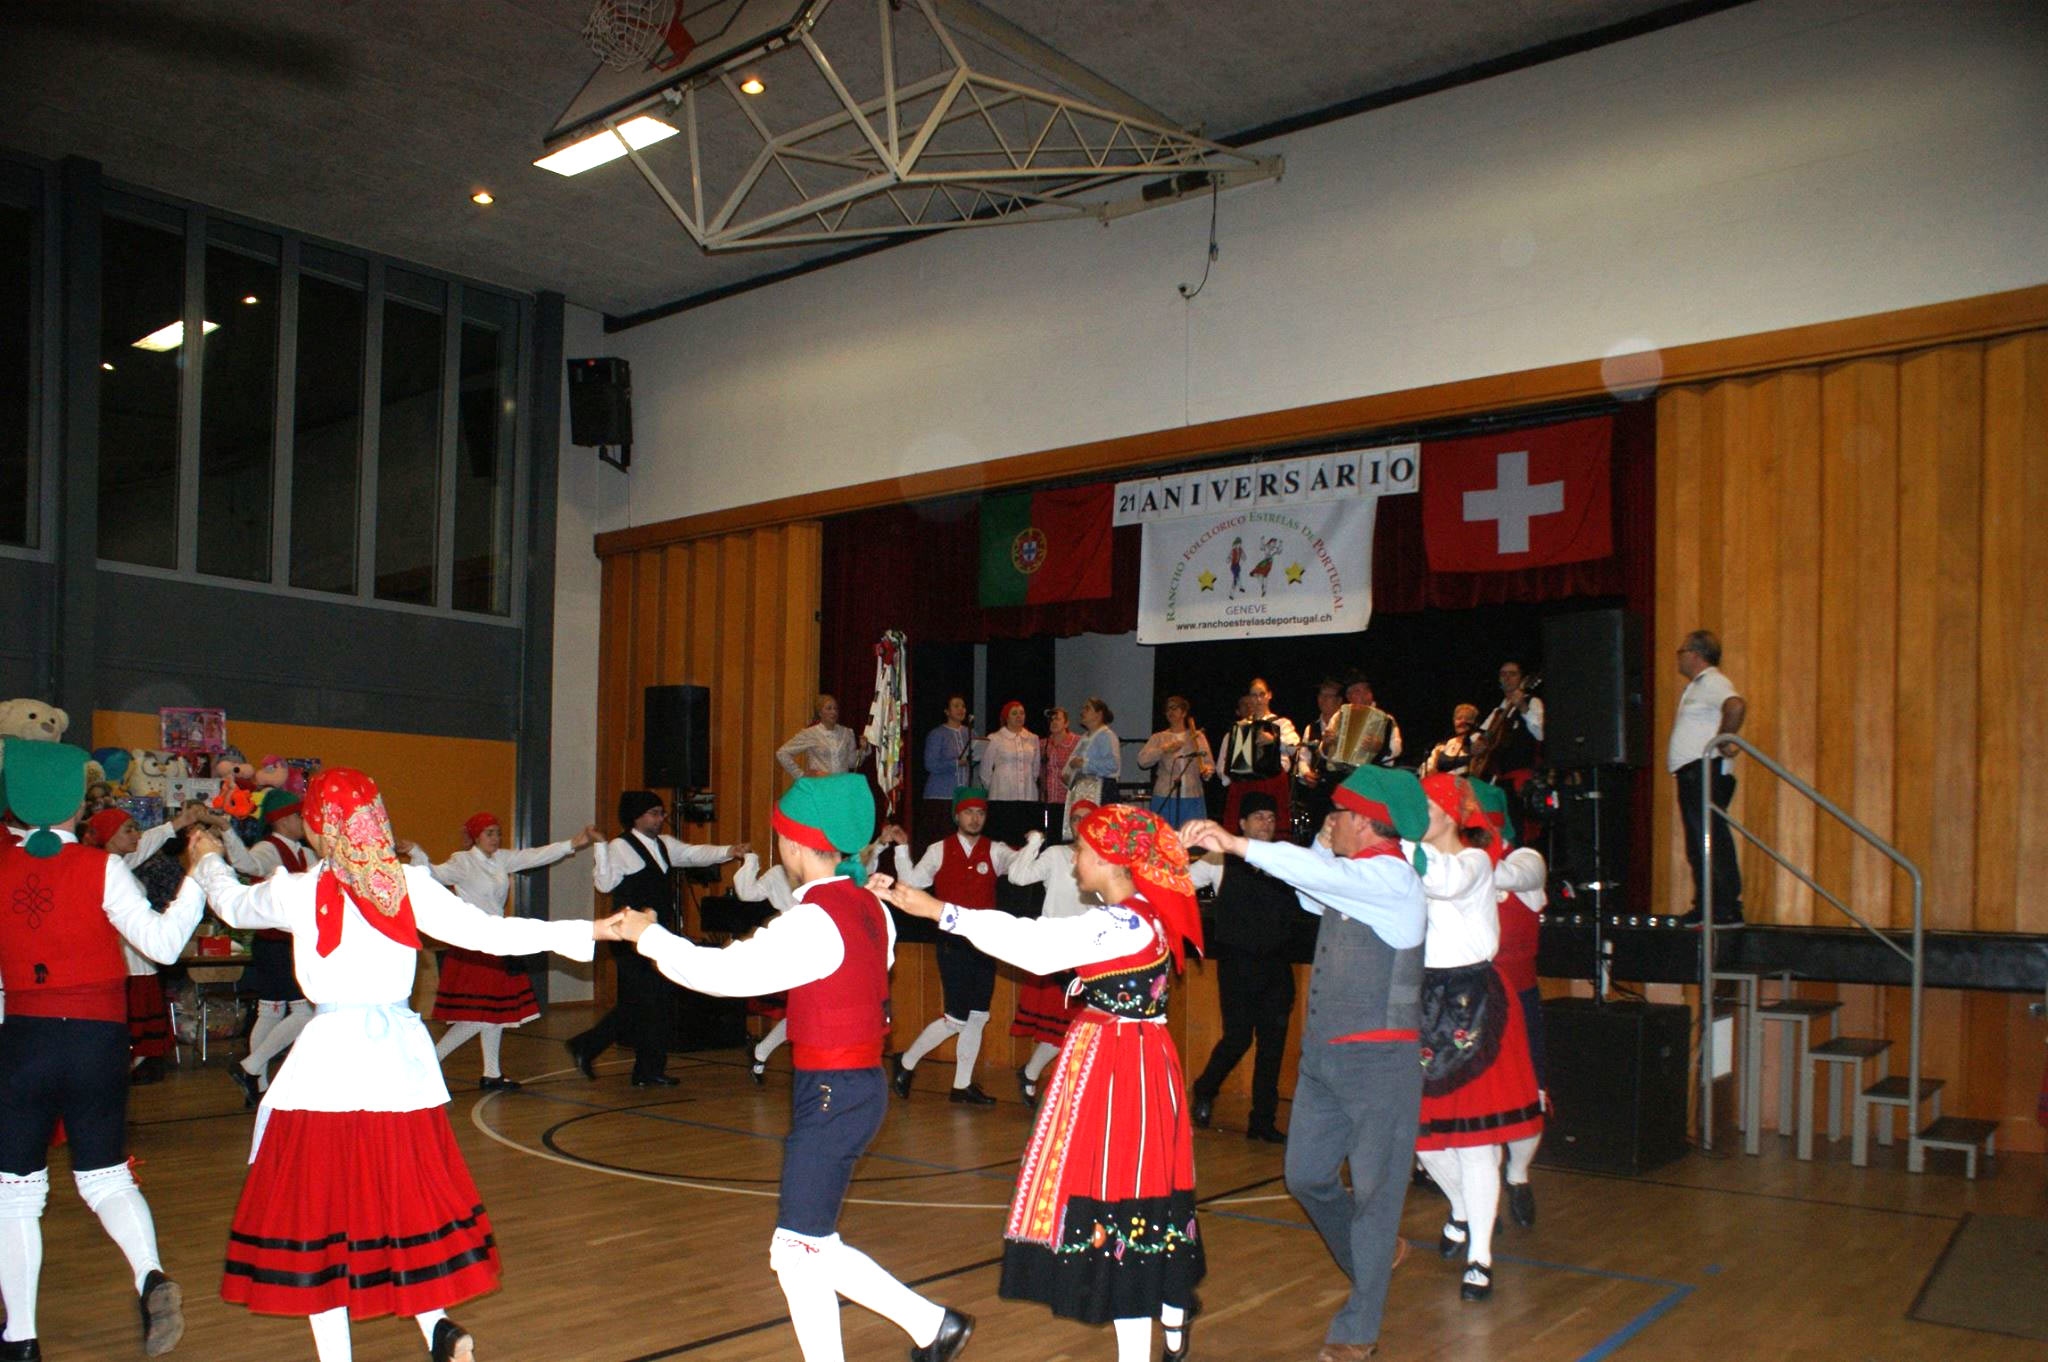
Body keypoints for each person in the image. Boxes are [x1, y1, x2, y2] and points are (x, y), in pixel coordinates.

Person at [187, 768, 603, 1362]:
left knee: (318, 1216)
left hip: (327, 1069)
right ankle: (435, 1324)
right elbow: (492, 935)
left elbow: (230, 903)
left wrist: (205, 858)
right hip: (396, 1071)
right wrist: (587, 928)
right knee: (402, 1197)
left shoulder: (301, 889)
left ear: (318, 827)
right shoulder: (406, 885)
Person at [613, 775, 974, 1362]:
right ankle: (933, 1326)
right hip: (853, 1087)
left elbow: (723, 975)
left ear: (796, 844)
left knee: (796, 1247)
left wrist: (648, 935)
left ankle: (931, 1325)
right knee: (810, 1244)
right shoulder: (869, 911)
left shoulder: (814, 919)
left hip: (833, 1090)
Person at [874, 805, 1204, 1362]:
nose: (1075, 859)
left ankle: (1151, 1338)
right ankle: (1172, 1317)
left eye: (1082, 851)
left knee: (1120, 1197)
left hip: (1123, 1067)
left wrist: (937, 909)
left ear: (1110, 859)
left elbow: (1033, 944)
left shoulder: (1122, 923)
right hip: (1133, 1060)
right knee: (1149, 1192)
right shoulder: (1141, 912)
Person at [1181, 764, 1431, 1362]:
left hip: (1379, 1065)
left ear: (1369, 825)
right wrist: (1319, 838)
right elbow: (1306, 887)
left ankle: (1358, 1328)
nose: (1327, 823)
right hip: (1325, 1061)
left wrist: (1240, 842)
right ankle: (1372, 1254)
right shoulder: (1355, 877)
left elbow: (1314, 873)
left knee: (1374, 1197)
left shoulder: (1394, 882)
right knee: (1306, 1177)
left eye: (1338, 816)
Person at [0, 739, 204, 1361]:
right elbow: (164, 947)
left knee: (15, 1192)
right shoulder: (99, 866)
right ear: (72, 805)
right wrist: (197, 877)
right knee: (105, 1174)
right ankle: (149, 1276)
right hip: (97, 1039)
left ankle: (21, 1341)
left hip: (25, 1037)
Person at [1410, 774, 1540, 1304]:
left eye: (1421, 806)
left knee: (1476, 1140)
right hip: (1423, 1000)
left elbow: (1443, 880)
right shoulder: (1413, 858)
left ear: (1445, 812)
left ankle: (1480, 1257)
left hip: (1473, 1000)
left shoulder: (1473, 862)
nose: (1413, 814)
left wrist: (1393, 842)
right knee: (1420, 1139)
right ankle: (1463, 1209)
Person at [413, 812, 601, 1090]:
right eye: (489, 833)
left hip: (498, 944)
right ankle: (427, 1063)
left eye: (497, 832)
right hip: (473, 945)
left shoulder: (501, 859)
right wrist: (417, 853)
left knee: (494, 1013)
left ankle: (492, 1073)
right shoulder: (462, 862)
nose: (495, 838)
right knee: (480, 1016)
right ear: (476, 837)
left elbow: (535, 856)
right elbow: (431, 874)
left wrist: (575, 842)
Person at [570, 792, 744, 1086]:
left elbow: (691, 854)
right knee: (648, 999)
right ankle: (626, 1061)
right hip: (627, 936)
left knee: (650, 1001)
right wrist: (600, 846)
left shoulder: (664, 845)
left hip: (654, 935)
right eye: (654, 813)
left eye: (661, 813)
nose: (660, 818)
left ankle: (635, 1065)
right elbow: (604, 884)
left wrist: (729, 850)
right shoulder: (619, 847)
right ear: (636, 816)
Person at [884, 787, 1017, 1104]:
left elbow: (1023, 868)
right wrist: (902, 850)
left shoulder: (995, 851)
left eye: (981, 812)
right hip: (952, 943)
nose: (975, 818)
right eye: (969, 812)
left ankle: (961, 1085)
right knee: (956, 1017)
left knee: (978, 1015)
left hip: (984, 943)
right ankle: (906, 1062)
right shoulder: (939, 849)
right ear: (957, 815)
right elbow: (913, 884)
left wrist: (1037, 844)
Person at [1185, 791, 1298, 1143]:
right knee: (1236, 1038)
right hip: (1237, 964)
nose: (1266, 822)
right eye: (1259, 816)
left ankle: (1262, 1123)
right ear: (1243, 824)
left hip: (1277, 965)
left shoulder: (1286, 859)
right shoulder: (1220, 858)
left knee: (1272, 1044)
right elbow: (1182, 883)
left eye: (1270, 816)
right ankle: (1205, 1088)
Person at [81, 803, 211, 1082]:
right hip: (127, 966)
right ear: (108, 835)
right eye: (128, 830)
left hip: (140, 963)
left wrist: (180, 822)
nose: (136, 835)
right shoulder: (101, 866)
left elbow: (149, 842)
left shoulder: (116, 863)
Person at [1472, 779, 1548, 1229]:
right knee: (1478, 1098)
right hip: (1471, 1000)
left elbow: (1508, 876)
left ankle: (1518, 1175)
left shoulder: (1526, 859)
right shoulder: (1456, 864)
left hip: (1519, 997)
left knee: (1528, 1093)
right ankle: (1484, 1196)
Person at [217, 788, 317, 1106]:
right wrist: (226, 832)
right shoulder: (268, 848)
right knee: (304, 1011)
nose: (303, 821)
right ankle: (251, 1066)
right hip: (275, 944)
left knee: (271, 1011)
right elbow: (246, 864)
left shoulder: (306, 853)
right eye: (299, 816)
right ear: (283, 820)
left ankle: (256, 1082)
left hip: (290, 942)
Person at [1002, 797, 1101, 1106]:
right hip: (1057, 950)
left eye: (1087, 818)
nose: (1080, 823)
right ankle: (1039, 1079)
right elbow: (1018, 877)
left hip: (1088, 951)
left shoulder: (1104, 859)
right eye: (1075, 819)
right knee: (1066, 1025)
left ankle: (1038, 1077)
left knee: (1080, 1026)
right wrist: (1034, 843)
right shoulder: (1057, 854)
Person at [1670, 629, 1746, 924]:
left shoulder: (1713, 681)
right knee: (1700, 841)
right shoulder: (1698, 685)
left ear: (1696, 655)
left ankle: (1725, 906)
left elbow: (1736, 705)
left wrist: (1723, 740)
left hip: (1704, 770)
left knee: (1709, 838)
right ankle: (1709, 904)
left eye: (1682, 651)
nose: (1679, 657)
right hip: (1693, 772)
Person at [1218, 678, 1295, 834]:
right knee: (1241, 829)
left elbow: (1294, 749)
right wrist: (1230, 777)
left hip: (1272, 784)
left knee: (1271, 829)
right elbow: (1226, 764)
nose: (1258, 700)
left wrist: (1274, 740)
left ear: (1269, 695)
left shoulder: (1281, 723)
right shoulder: (1241, 727)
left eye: (1262, 694)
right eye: (1254, 695)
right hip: (1244, 785)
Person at [1138, 696, 1213, 829]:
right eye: (1167, 709)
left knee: (1192, 841)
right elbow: (1142, 761)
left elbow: (1209, 763)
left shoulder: (1197, 736)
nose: (1170, 712)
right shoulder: (1159, 737)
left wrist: (1207, 771)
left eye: (1174, 708)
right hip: (1165, 795)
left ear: (1184, 712)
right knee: (1164, 837)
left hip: (1192, 796)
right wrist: (1163, 749)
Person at [978, 700, 1043, 845]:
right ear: (1006, 717)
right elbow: (985, 770)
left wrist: (1030, 783)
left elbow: (1035, 768)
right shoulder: (995, 738)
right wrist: (994, 788)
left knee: (1025, 835)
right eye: (1014, 713)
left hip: (1027, 794)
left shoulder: (1033, 738)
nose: (1019, 716)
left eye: (1021, 713)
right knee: (1003, 836)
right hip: (1002, 794)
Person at [919, 695, 977, 848]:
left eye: (963, 706)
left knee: (961, 842)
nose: (961, 709)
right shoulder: (937, 734)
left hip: (963, 797)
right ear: (946, 711)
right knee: (940, 843)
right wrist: (957, 763)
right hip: (940, 797)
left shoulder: (970, 733)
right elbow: (930, 765)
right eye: (956, 706)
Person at [1473, 660, 1543, 783]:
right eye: (1503, 674)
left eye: (1512, 674)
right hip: (1497, 778)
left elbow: (1540, 734)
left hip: (1523, 776)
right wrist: (1477, 742)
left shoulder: (1532, 702)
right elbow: (1482, 733)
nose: (1507, 678)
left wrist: (1523, 708)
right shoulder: (1497, 711)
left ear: (1522, 679)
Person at [1061, 699, 1121, 835]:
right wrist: (1069, 774)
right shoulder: (1085, 737)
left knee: (1099, 831)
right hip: (1083, 790)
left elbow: (1112, 765)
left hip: (1101, 790)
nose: (1082, 712)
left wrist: (1084, 764)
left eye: (1087, 709)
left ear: (1099, 714)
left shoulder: (1106, 736)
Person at [776, 694, 871, 780]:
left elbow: (852, 763)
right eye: (829, 708)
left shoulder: (847, 733)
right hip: (820, 786)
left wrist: (863, 749)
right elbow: (782, 753)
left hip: (841, 786)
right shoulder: (810, 733)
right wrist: (801, 775)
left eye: (836, 709)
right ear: (820, 712)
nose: (833, 712)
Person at [1294, 680, 1346, 831]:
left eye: (1329, 696)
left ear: (1339, 701)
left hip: (1341, 786)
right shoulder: (1311, 728)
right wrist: (1306, 773)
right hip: (1319, 791)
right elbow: (1303, 758)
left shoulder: (1347, 726)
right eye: (1321, 695)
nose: (1323, 699)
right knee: (1317, 830)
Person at [1039, 707, 1080, 831]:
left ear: (1066, 723)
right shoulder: (1043, 744)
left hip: (1068, 799)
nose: (1054, 722)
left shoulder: (1076, 742)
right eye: (1051, 720)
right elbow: (1041, 770)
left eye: (1057, 719)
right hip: (1049, 800)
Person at [1421, 704, 1483, 777]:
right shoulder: (1442, 746)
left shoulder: (1478, 743)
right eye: (1459, 718)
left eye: (1468, 719)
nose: (1463, 721)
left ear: (1475, 723)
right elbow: (1427, 768)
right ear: (1454, 721)